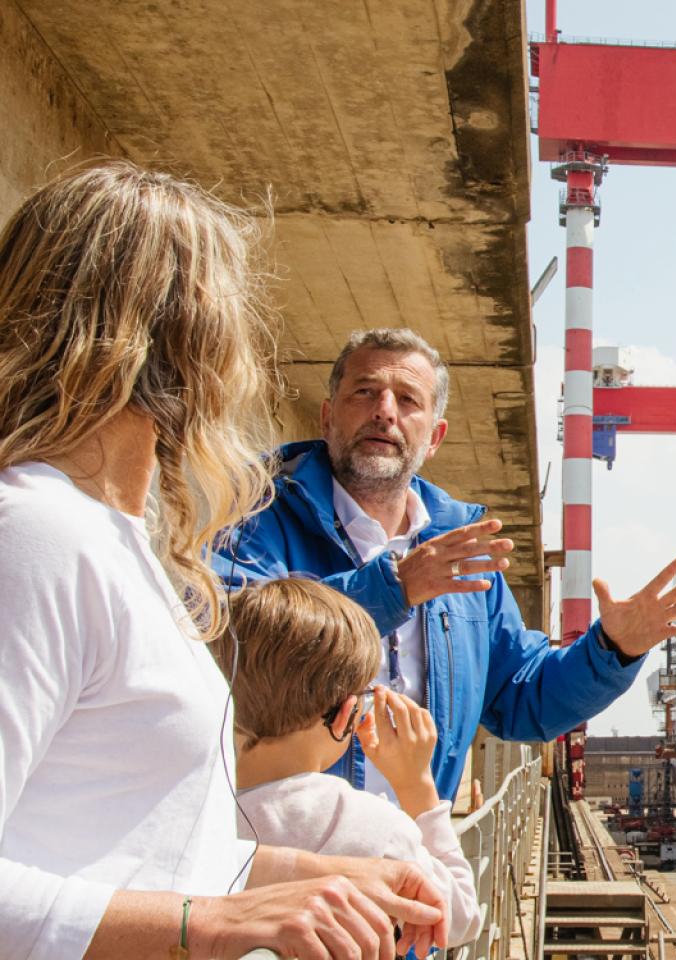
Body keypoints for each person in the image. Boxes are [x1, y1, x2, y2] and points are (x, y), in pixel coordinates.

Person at [0, 162, 443, 959]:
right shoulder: (35, 536)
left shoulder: (121, 546)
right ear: (174, 335)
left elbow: (144, 848)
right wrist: (201, 926)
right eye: (226, 309)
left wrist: (308, 876)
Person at [218, 328, 676, 803]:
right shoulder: (256, 513)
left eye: (408, 400)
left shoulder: (462, 550)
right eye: (365, 392)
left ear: (434, 437)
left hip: (413, 855)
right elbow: (233, 644)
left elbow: (521, 700)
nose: (385, 410)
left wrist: (612, 650)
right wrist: (393, 588)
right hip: (281, 853)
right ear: (327, 418)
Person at [215, 578, 483, 946]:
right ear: (345, 715)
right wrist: (416, 786)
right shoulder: (366, 825)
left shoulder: (194, 806)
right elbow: (460, 918)